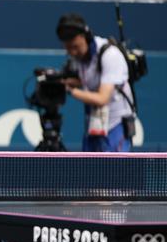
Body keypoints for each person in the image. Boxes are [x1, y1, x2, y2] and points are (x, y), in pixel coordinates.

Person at [55, 13, 134, 153]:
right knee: (90, 167)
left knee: (114, 168)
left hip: (115, 127)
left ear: (83, 36)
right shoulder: (79, 57)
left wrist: (70, 90)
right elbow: (90, 81)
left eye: (75, 47)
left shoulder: (110, 55)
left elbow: (102, 98)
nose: (72, 52)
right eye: (68, 48)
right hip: (93, 126)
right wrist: (71, 83)